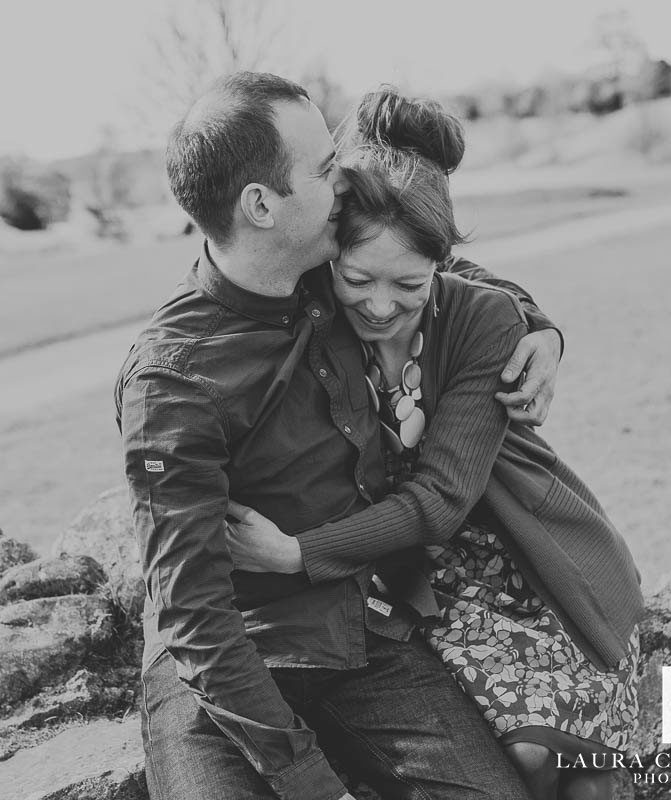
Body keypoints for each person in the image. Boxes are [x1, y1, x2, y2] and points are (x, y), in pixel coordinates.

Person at [115, 72, 565, 800]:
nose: (346, 178)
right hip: (225, 669)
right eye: (325, 169)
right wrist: (312, 785)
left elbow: (428, 259)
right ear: (261, 206)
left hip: (361, 634)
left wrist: (536, 324)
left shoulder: (329, 268)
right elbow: (193, 617)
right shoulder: (173, 383)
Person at [225, 88, 645, 800]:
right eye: (357, 278)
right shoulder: (311, 305)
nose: (381, 304)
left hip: (522, 545)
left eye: (409, 284)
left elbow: (463, 298)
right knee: (537, 756)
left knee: (615, 756)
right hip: (417, 576)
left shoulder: (471, 308)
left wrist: (537, 324)